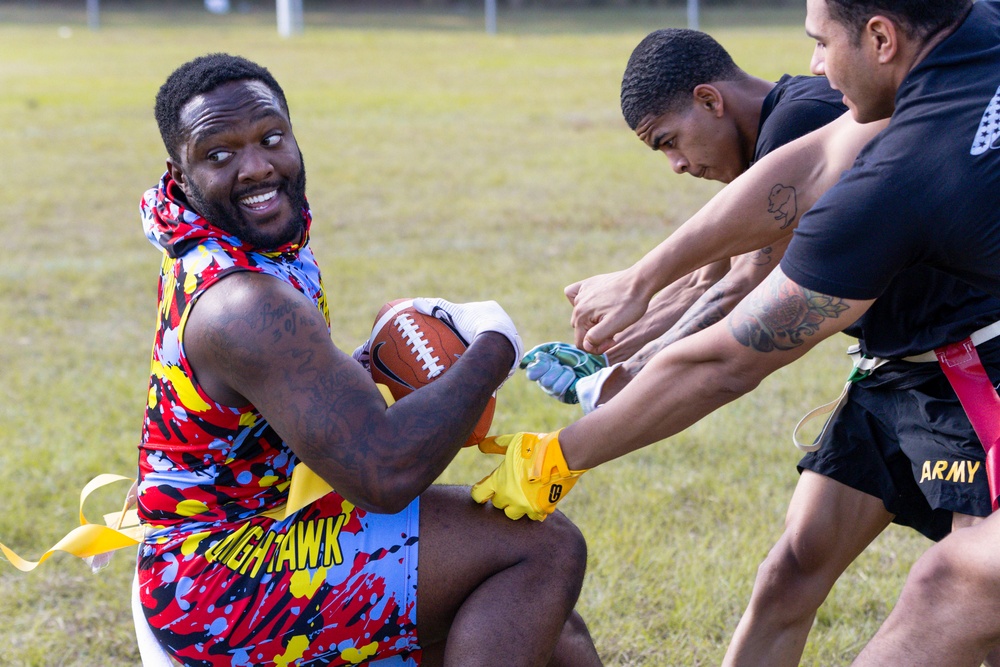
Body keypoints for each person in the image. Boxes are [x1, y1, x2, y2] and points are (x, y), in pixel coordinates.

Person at [470, 0, 1000, 664]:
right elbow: (812, 167)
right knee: (791, 570)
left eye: (819, 42)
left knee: (957, 593)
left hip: (968, 369)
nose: (813, 66)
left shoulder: (894, 182)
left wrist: (558, 454)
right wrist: (642, 278)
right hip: (891, 366)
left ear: (881, 37)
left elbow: (724, 361)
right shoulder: (972, 32)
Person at [136, 52, 602, 667]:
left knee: (553, 634)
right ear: (181, 170)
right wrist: (496, 346)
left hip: (248, 536)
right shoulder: (242, 303)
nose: (256, 167)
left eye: (272, 138)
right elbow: (385, 475)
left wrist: (358, 365)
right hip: (217, 583)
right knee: (542, 551)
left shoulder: (232, 240)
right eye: (219, 154)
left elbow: (277, 397)